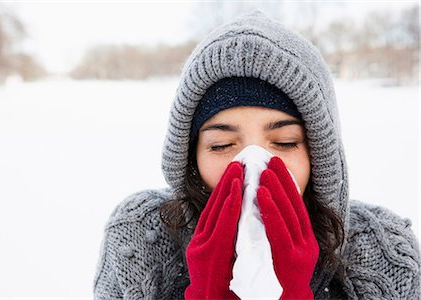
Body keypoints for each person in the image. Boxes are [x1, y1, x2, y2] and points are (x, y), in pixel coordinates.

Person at [93, 10, 420, 299]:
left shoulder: (381, 251)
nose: (254, 166)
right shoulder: (139, 239)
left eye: (285, 141)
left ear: (319, 156)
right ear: (190, 158)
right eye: (221, 145)